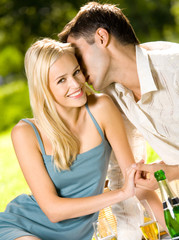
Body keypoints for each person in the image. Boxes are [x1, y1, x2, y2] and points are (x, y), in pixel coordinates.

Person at [0, 37, 153, 240]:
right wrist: (122, 193)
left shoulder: (101, 108)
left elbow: (135, 181)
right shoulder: (26, 133)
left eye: (76, 72)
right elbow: (54, 211)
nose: (75, 84)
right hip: (24, 228)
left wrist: (171, 229)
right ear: (43, 89)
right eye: (61, 80)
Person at [58, 1, 179, 239]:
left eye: (79, 57)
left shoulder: (174, 70)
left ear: (102, 37)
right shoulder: (114, 96)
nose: (79, 74)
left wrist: (172, 171)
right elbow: (123, 174)